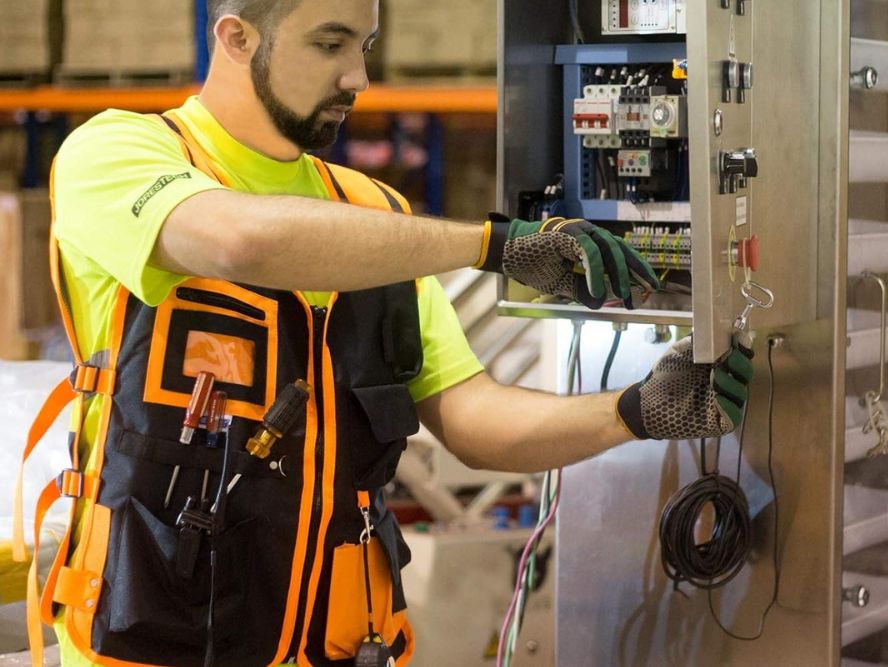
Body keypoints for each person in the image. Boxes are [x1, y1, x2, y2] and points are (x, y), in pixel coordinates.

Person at [16, 1, 753, 666]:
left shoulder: (371, 213)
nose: (357, 77)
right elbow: (238, 240)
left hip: (336, 645)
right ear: (236, 38)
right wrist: (491, 244)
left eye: (365, 46)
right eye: (331, 45)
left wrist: (630, 411)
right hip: (155, 642)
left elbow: (470, 416)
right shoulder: (118, 154)